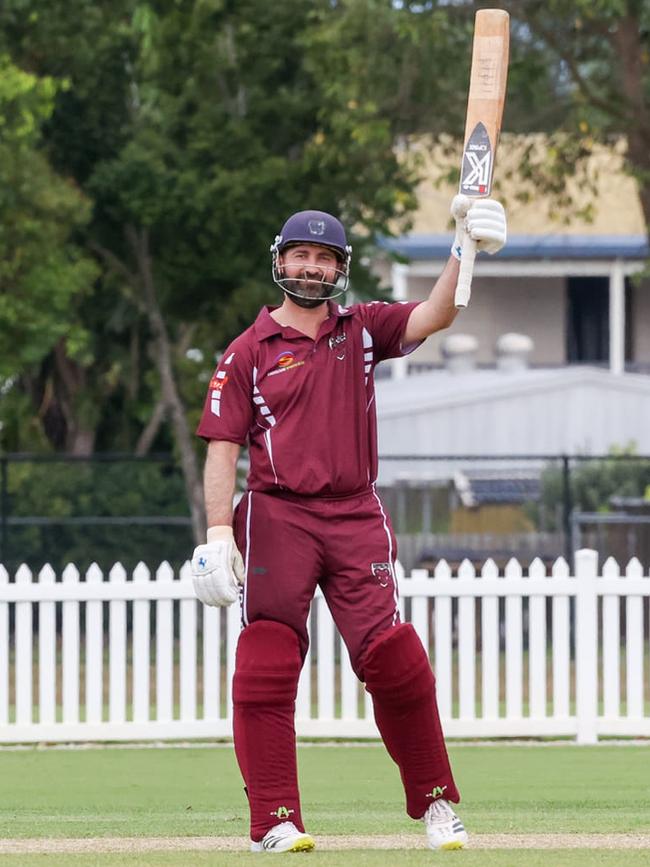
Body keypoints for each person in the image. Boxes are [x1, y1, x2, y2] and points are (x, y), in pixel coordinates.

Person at [191, 196, 507, 853]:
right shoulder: (247, 351)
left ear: (340, 269)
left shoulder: (362, 328)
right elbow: (221, 446)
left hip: (354, 509)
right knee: (267, 658)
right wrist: (219, 531)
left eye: (324, 257)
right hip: (278, 513)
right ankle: (274, 820)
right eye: (300, 255)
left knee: (395, 658)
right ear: (280, 261)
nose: (311, 267)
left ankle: (438, 806)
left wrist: (462, 245)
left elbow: (438, 311)